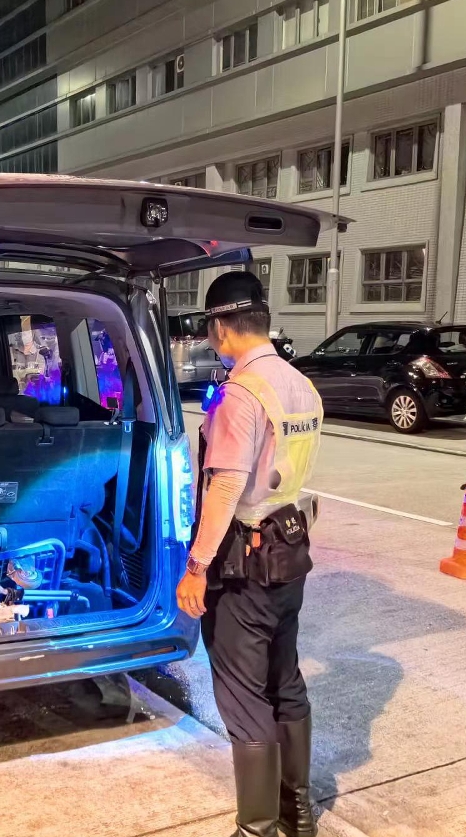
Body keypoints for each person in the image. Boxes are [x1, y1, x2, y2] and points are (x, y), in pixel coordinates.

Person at [176, 271, 324, 837]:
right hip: (290, 549)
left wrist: (197, 566)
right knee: (285, 679)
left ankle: (256, 828)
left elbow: (226, 487)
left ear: (220, 326)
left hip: (246, 557)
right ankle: (297, 812)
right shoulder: (300, 385)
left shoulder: (242, 393)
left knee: (243, 693)